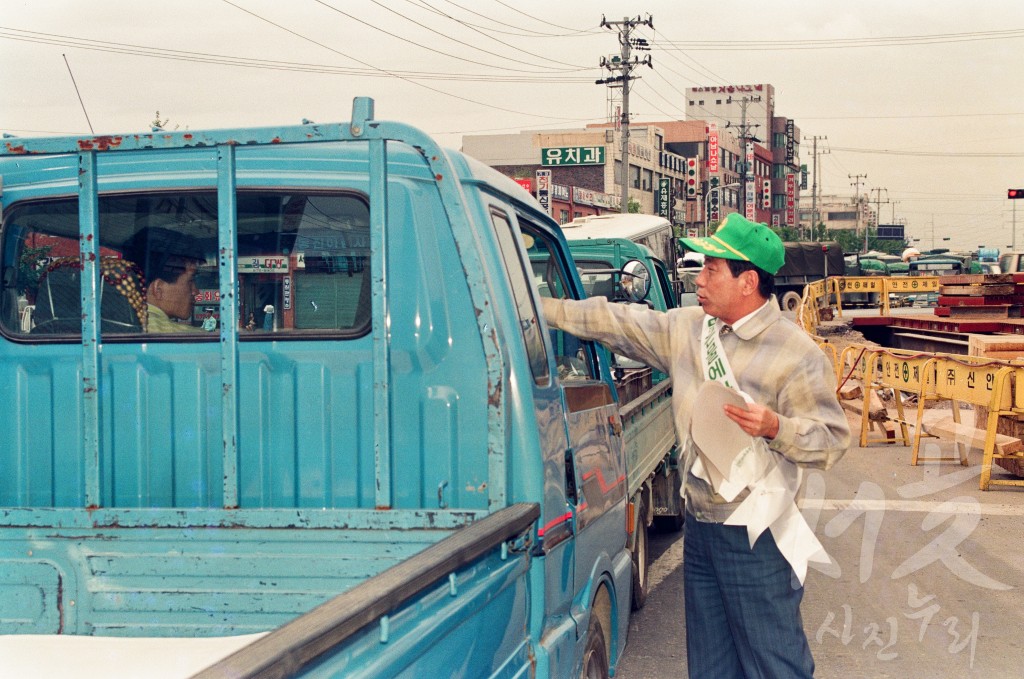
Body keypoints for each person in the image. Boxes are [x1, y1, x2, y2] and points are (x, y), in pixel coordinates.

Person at [540, 213, 850, 678]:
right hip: (702, 529)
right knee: (710, 665)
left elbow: (831, 440)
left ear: (748, 281)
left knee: (773, 663)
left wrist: (775, 427)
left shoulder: (796, 352)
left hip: (757, 533)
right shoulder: (689, 330)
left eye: (711, 270)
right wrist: (537, 308)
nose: (698, 279)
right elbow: (617, 320)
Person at [123, 226, 205, 333]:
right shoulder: (192, 339)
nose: (196, 291)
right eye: (190, 281)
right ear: (158, 289)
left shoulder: (117, 324)